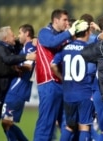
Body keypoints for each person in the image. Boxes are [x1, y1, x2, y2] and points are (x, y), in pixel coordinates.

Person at [33, 9, 88, 141]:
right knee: (46, 123)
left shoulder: (64, 36)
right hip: (48, 82)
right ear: (55, 20)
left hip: (63, 84)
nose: (67, 23)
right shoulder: (44, 32)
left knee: (68, 123)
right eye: (64, 20)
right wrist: (69, 32)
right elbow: (52, 42)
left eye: (68, 20)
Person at [50, 19, 95, 141]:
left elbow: (53, 64)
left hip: (68, 94)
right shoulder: (89, 49)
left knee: (69, 126)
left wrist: (62, 77)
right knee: (84, 126)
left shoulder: (65, 47)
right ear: (87, 32)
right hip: (84, 93)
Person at [0, 26, 36, 136]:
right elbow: (8, 59)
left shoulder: (27, 47)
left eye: (18, 33)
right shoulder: (2, 49)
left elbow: (28, 67)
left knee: (6, 123)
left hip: (15, 91)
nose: (16, 37)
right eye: (13, 35)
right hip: (8, 91)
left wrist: (35, 39)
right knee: (6, 123)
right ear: (5, 39)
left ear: (26, 33)